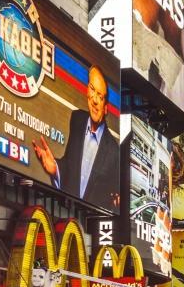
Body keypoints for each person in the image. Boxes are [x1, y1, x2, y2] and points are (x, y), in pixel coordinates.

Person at [33, 66, 119, 203]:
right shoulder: (77, 119)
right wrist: (55, 168)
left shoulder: (114, 152)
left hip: (92, 220)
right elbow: (69, 164)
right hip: (67, 209)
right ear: (87, 91)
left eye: (100, 97)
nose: (95, 100)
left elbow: (114, 197)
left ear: (106, 108)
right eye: (92, 90)